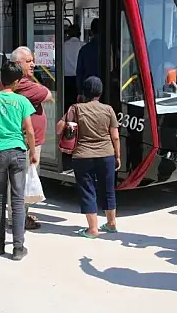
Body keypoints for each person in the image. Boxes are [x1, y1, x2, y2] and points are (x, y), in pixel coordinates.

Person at [0, 61, 37, 260]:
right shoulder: (22, 101)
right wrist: (32, 152)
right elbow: (29, 130)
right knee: (18, 200)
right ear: (15, 82)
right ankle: (17, 248)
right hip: (18, 152)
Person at [56, 76, 120, 238]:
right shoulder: (108, 109)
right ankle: (111, 224)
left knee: (87, 190)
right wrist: (117, 156)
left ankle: (92, 229)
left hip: (82, 156)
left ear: (84, 91)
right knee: (108, 189)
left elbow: (58, 129)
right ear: (100, 92)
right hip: (106, 154)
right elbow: (115, 136)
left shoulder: (75, 109)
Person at [6, 46, 53, 230]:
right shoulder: (22, 83)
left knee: (21, 179)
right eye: (29, 61)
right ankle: (17, 219)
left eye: (33, 60)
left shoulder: (15, 81)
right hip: (27, 141)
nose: (33, 64)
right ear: (17, 63)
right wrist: (39, 87)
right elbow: (48, 95)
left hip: (24, 139)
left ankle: (20, 213)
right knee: (22, 180)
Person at [75, 18, 100, 94]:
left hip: (88, 88)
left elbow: (79, 72)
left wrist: (79, 92)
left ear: (91, 32)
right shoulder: (110, 48)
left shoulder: (84, 49)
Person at [63, 24, 84, 111]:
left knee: (67, 104)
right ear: (79, 34)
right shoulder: (83, 45)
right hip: (79, 78)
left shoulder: (63, 46)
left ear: (68, 34)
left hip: (66, 78)